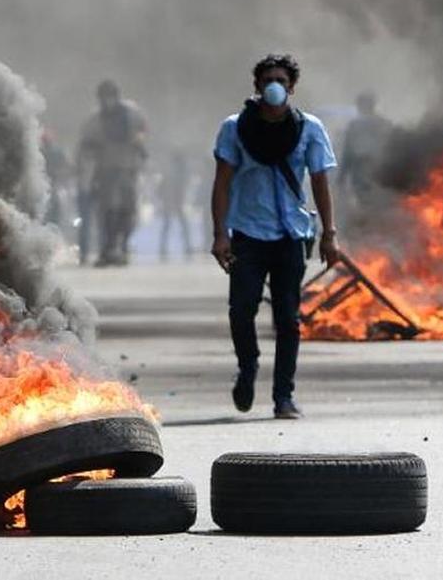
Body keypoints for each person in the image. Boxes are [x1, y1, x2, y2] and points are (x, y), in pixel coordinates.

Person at [210, 53, 340, 420]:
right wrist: (220, 234)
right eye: (269, 79)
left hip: (290, 237)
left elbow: (319, 182)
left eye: (282, 80)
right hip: (248, 235)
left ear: (292, 87)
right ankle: (248, 367)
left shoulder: (309, 128)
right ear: (256, 86)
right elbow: (221, 184)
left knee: (288, 319)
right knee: (241, 312)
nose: (275, 86)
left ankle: (284, 396)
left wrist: (329, 234)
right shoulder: (234, 129)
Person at [77, 80, 148, 267]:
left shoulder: (132, 114)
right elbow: (86, 144)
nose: (107, 101)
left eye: (110, 96)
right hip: (106, 169)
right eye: (104, 97)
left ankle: (122, 247)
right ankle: (108, 248)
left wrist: (140, 148)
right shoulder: (96, 119)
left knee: (128, 210)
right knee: (107, 212)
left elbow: (142, 133)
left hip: (128, 168)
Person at [338, 91, 392, 209]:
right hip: (378, 174)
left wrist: (341, 177)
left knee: (367, 204)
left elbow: (348, 153)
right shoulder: (385, 124)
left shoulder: (355, 126)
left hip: (366, 173)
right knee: (377, 204)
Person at [158, 148, 194, 260]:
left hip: (170, 202)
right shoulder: (181, 175)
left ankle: (164, 247)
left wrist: (164, 198)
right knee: (181, 225)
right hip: (176, 202)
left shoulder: (169, 174)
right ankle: (187, 246)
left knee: (168, 225)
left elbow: (160, 189)